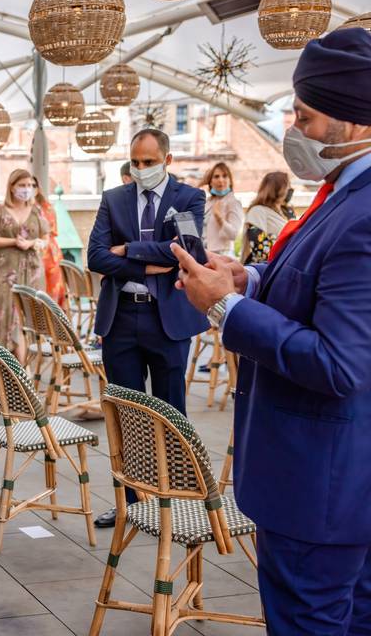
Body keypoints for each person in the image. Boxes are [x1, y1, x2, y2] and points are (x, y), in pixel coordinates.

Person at [172, 28, 371, 634]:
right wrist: (250, 280)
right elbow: (324, 291)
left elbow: (341, 362)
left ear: (357, 123)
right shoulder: (344, 192)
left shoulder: (363, 213)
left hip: (323, 488)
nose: (293, 128)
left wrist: (224, 311)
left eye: (304, 116)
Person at [87, 128, 208, 528]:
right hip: (120, 316)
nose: (141, 169)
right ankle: (133, 503)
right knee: (127, 412)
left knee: (172, 410)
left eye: (149, 162)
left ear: (167, 160)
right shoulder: (113, 199)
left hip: (169, 317)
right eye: (136, 162)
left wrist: (130, 250)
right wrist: (148, 263)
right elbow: (96, 257)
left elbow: (188, 252)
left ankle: (175, 496)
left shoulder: (189, 198)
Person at [0, 169, 49, 363]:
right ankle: (14, 365)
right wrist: (13, 242)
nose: (26, 189)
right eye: (22, 185)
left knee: (25, 317)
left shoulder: (36, 210)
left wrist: (31, 243)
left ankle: (22, 365)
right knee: (7, 316)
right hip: (5, 271)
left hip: (32, 270)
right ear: (12, 187)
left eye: (29, 185)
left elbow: (46, 238)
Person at [240, 171, 292, 264]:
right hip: (264, 269)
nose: (291, 189)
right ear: (277, 188)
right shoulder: (257, 211)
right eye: (287, 186)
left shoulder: (287, 211)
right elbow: (260, 249)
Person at [35, 180, 67, 307]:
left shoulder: (46, 207)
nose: (28, 189)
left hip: (48, 252)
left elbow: (48, 231)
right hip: (32, 250)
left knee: (51, 290)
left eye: (32, 185)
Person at [202, 162, 243, 257]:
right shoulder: (208, 201)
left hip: (223, 255)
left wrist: (219, 218)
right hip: (205, 253)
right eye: (216, 176)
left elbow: (234, 235)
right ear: (210, 181)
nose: (221, 180)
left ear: (230, 181)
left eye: (225, 176)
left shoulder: (233, 202)